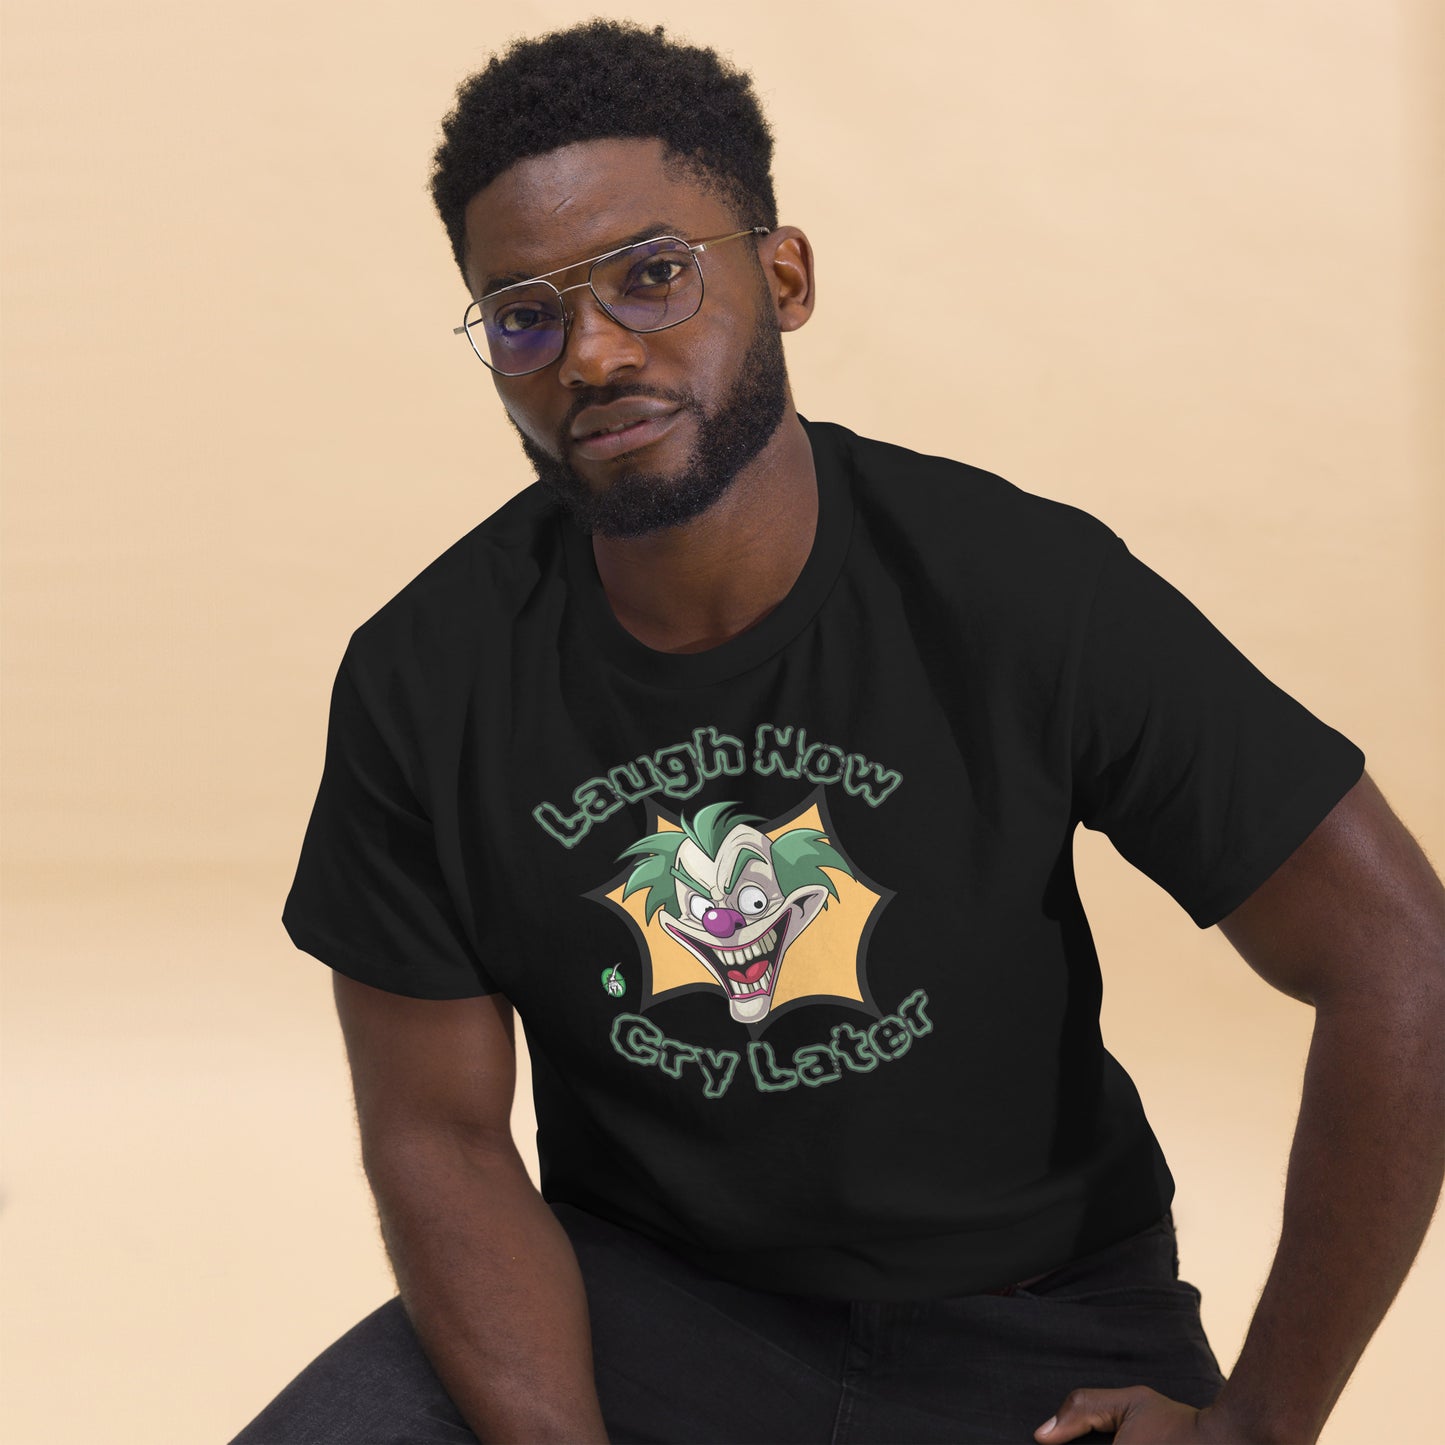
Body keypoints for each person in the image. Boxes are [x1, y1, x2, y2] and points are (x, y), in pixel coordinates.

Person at [230, 19, 1445, 1445]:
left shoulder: (1013, 586)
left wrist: (1259, 1424)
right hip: (639, 1307)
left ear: (783, 276)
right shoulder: (422, 676)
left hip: (1033, 1327)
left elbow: (1397, 958)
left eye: (652, 274)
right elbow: (435, 1131)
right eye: (524, 316)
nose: (594, 351)